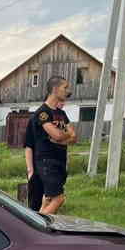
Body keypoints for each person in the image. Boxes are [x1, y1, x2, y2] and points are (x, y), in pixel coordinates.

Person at [30, 76, 77, 215]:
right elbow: (57, 135)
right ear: (55, 89)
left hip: (60, 161)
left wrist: (61, 138)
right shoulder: (43, 113)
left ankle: (36, 224)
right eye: (65, 88)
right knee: (58, 198)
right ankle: (39, 228)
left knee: (48, 199)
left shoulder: (61, 114)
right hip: (47, 162)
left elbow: (73, 136)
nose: (68, 91)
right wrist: (63, 136)